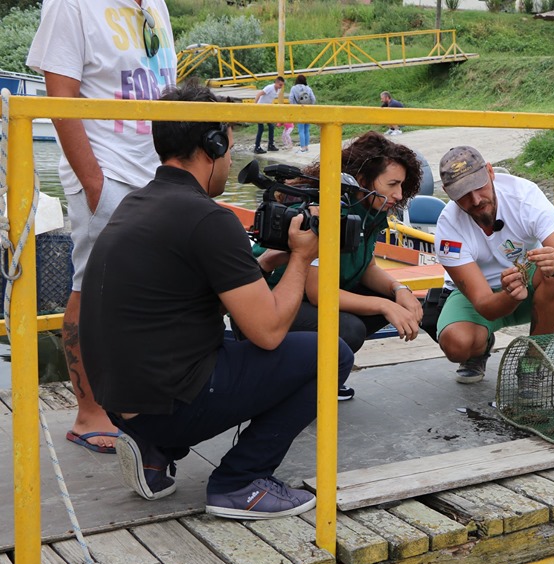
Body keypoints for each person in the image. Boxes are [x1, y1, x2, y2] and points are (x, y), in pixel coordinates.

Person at [80, 83, 354, 520]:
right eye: (229, 140)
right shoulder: (208, 218)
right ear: (213, 143)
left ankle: (156, 453)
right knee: (328, 353)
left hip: (123, 400)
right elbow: (267, 332)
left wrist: (264, 264)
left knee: (228, 346)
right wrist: (302, 256)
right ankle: (240, 481)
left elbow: (184, 301)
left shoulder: (138, 202)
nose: (230, 156)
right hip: (167, 402)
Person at [26, 0, 177, 454]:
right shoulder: (71, 4)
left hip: (158, 169)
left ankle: (141, 399)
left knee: (153, 288)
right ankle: (88, 410)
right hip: (108, 171)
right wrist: (94, 183)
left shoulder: (155, 4)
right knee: (90, 285)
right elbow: (60, 98)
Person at [266, 132, 422, 399]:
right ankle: (296, 383)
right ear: (361, 180)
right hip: (271, 302)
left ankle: (321, 371)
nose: (398, 194)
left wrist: (399, 290)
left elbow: (367, 266)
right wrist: (386, 305)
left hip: (309, 299)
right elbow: (318, 293)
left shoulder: (370, 210)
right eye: (392, 184)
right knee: (349, 328)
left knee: (395, 303)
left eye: (402, 185)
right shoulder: (327, 207)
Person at [433, 146, 554, 385]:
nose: (475, 200)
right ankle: (481, 347)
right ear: (447, 193)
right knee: (456, 345)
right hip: (482, 296)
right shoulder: (447, 227)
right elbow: (485, 305)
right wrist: (511, 296)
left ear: (490, 172)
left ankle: (533, 362)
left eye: (479, 186)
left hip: (529, 281)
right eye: (463, 193)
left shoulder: (525, 196)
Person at [254, 76, 285, 154]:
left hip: (267, 109)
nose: (281, 87)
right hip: (260, 109)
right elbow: (259, 94)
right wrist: (255, 106)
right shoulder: (269, 88)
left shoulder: (278, 90)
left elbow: (270, 99)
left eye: (282, 85)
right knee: (261, 128)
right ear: (276, 83)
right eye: (280, 85)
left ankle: (270, 145)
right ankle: (257, 147)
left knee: (271, 126)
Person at [289, 74, 316, 153]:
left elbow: (291, 99)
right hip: (308, 110)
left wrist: (294, 107)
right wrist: (310, 106)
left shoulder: (294, 88)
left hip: (299, 110)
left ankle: (302, 148)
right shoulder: (308, 88)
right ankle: (307, 147)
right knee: (307, 129)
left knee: (301, 129)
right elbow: (313, 99)